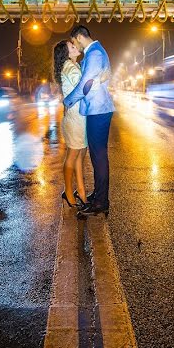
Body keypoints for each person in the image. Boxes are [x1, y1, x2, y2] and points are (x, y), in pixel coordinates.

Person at [62, 25, 114, 215]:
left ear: (78, 38)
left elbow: (85, 84)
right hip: (96, 109)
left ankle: (101, 202)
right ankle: (99, 195)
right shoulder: (96, 52)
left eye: (74, 41)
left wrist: (68, 100)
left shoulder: (94, 54)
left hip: (98, 110)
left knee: (99, 157)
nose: (74, 45)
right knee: (96, 156)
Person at [52, 39, 89, 211]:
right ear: (66, 53)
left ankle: (80, 191)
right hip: (75, 118)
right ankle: (68, 192)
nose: (76, 47)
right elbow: (83, 88)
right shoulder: (70, 67)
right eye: (71, 47)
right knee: (74, 156)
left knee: (80, 154)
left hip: (78, 117)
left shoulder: (73, 66)